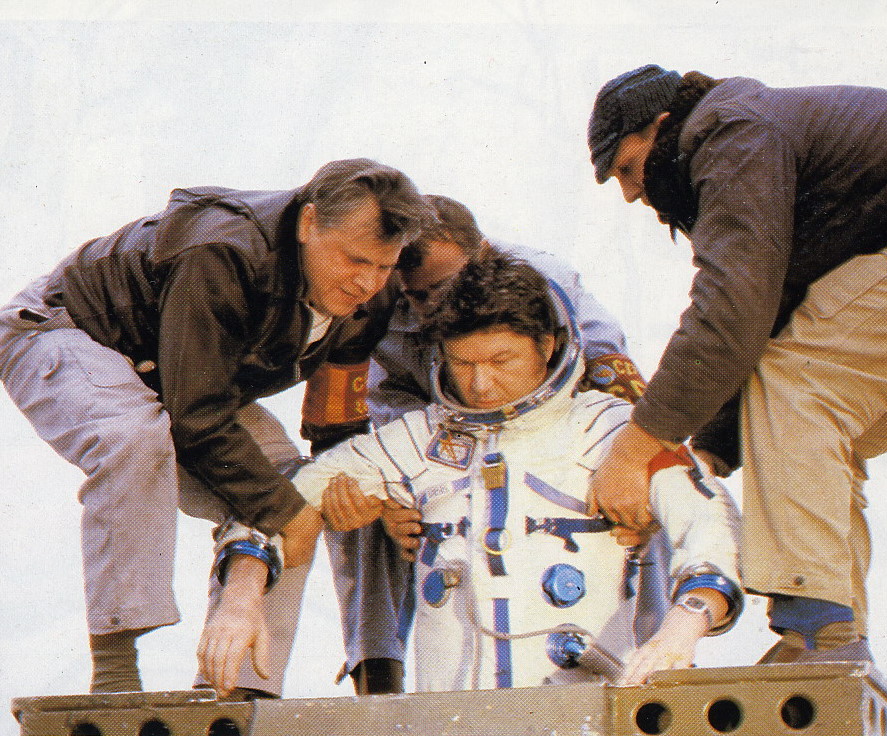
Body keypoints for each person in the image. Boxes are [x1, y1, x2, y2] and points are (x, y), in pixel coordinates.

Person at [584, 64, 887, 664]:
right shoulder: (746, 137)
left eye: (628, 169)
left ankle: (815, 628)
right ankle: (829, 640)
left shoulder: (730, 136)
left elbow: (730, 313)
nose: (630, 194)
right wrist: (706, 456)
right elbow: (770, 312)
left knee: (800, 382)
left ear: (660, 126)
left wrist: (634, 450)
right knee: (827, 427)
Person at [198, 252, 743, 695]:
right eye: (463, 364)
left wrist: (683, 627)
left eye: (501, 362)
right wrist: (241, 598)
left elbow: (709, 519)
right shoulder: (420, 439)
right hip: (454, 717)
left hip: (588, 709)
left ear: (547, 346)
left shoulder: (612, 433)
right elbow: (287, 497)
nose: (480, 385)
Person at [0, 159, 434, 695]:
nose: (366, 282)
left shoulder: (371, 298)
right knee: (135, 437)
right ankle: (116, 672)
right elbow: (196, 415)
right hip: (69, 332)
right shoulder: (223, 250)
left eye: (384, 266)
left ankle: (236, 691)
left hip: (182, 378)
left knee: (293, 486)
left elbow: (335, 426)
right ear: (308, 222)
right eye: (355, 259)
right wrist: (286, 512)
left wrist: (363, 493)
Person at [324, 194, 652, 694]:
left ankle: (657, 659)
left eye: (440, 288)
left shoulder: (544, 279)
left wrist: (630, 466)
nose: (429, 308)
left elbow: (613, 376)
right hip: (450, 443)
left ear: (481, 254)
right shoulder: (384, 307)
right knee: (354, 489)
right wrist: (397, 494)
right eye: (416, 295)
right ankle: (378, 671)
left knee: (653, 480)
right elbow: (388, 406)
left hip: (558, 435)